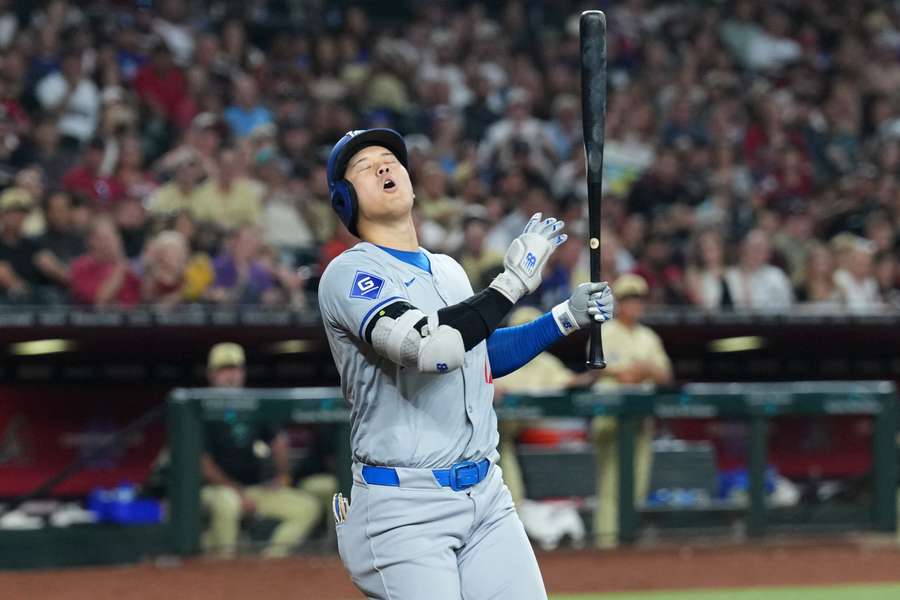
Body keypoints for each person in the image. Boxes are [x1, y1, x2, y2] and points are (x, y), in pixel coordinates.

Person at [318, 128, 614, 600]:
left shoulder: (447, 269)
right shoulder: (350, 273)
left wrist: (563, 319)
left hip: (486, 495)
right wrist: (513, 282)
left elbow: (478, 356)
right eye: (363, 166)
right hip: (404, 506)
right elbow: (433, 352)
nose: (382, 166)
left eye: (389, 158)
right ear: (343, 199)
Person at [200, 342, 325, 558]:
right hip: (214, 491)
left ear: (243, 372)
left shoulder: (253, 404)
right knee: (227, 503)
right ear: (211, 375)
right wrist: (238, 492)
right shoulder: (200, 407)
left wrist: (283, 476)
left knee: (307, 507)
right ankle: (223, 568)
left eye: (235, 369)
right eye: (224, 370)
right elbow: (204, 467)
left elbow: (278, 441)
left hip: (252, 489)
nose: (230, 376)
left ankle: (270, 561)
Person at [592, 274, 673, 549]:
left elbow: (665, 375)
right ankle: (606, 543)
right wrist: (639, 371)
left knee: (637, 485)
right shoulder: (604, 331)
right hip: (611, 420)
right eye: (629, 299)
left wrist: (645, 370)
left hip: (640, 420)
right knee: (611, 484)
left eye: (638, 299)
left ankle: (626, 543)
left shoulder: (648, 337)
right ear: (619, 303)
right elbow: (607, 373)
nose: (634, 305)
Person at [68, 217, 141, 307]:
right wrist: (120, 265)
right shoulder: (80, 267)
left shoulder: (130, 267)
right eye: (105, 238)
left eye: (114, 236)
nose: (112, 242)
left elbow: (147, 298)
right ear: (91, 241)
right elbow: (100, 302)